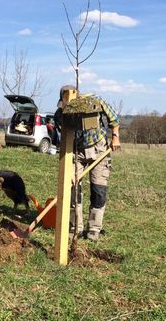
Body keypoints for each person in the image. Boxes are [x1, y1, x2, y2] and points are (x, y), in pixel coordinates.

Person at [54, 85, 121, 241]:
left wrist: (115, 137)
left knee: (99, 190)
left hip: (99, 149)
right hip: (75, 152)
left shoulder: (94, 101)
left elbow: (114, 119)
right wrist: (68, 169)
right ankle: (74, 228)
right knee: (72, 191)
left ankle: (93, 230)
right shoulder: (60, 116)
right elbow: (64, 141)